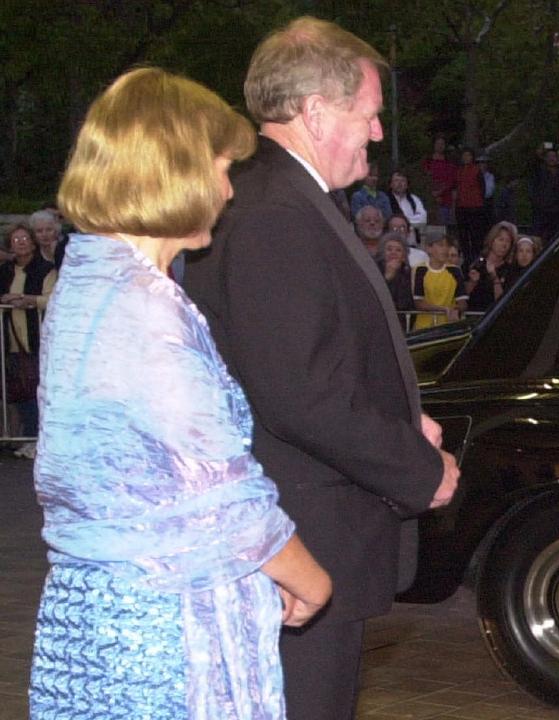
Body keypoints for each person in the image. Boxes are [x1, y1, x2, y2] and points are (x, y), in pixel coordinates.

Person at [29, 66, 332, 718]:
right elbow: (223, 495)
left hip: (95, 612)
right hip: (163, 635)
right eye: (221, 167)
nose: (227, 190)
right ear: (176, 171)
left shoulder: (86, 283)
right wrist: (311, 580)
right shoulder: (147, 312)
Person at [182, 18, 459, 719]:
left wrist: (401, 414)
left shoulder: (283, 197)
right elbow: (300, 394)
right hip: (300, 540)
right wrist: (416, 468)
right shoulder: (276, 212)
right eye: (367, 115)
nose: (375, 134)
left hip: (303, 533)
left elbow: (315, 357)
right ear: (315, 111)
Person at [1, 223, 55, 458]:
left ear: (32, 242)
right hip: (11, 337)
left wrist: (27, 299)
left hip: (36, 337)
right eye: (16, 240)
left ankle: (36, 438)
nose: (21, 243)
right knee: (17, 389)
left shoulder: (46, 269)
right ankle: (21, 435)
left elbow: (52, 298)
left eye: (24, 238)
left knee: (35, 388)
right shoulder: (6, 270)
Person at [411, 233, 466, 329]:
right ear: (429, 248)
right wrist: (443, 309)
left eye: (447, 245)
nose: (445, 249)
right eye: (441, 245)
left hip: (450, 327)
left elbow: (462, 302)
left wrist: (456, 309)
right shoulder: (420, 269)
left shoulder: (455, 270)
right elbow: (418, 303)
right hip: (424, 328)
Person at [464, 221, 517, 314]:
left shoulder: (510, 269)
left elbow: (502, 302)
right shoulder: (475, 263)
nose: (504, 245)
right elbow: (462, 297)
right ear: (492, 240)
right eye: (501, 239)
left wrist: (494, 277)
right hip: (472, 316)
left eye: (508, 241)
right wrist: (473, 282)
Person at [454, 148, 489, 262]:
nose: (466, 158)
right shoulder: (459, 171)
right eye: (464, 155)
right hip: (461, 207)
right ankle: (466, 257)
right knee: (463, 235)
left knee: (475, 235)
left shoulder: (476, 170)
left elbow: (482, 188)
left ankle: (476, 257)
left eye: (468, 155)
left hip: (475, 207)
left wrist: (480, 203)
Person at [388, 169, 428, 242]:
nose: (400, 183)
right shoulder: (386, 199)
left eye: (403, 180)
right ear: (391, 184)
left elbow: (423, 219)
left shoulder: (414, 199)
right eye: (396, 180)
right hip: (392, 241)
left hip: (412, 242)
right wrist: (412, 220)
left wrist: (403, 221)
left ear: (407, 185)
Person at [378, 233, 414, 313]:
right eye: (389, 249)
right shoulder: (375, 270)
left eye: (398, 250)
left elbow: (407, 302)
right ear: (382, 253)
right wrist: (387, 278)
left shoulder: (409, 272)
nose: (393, 252)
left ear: (404, 255)